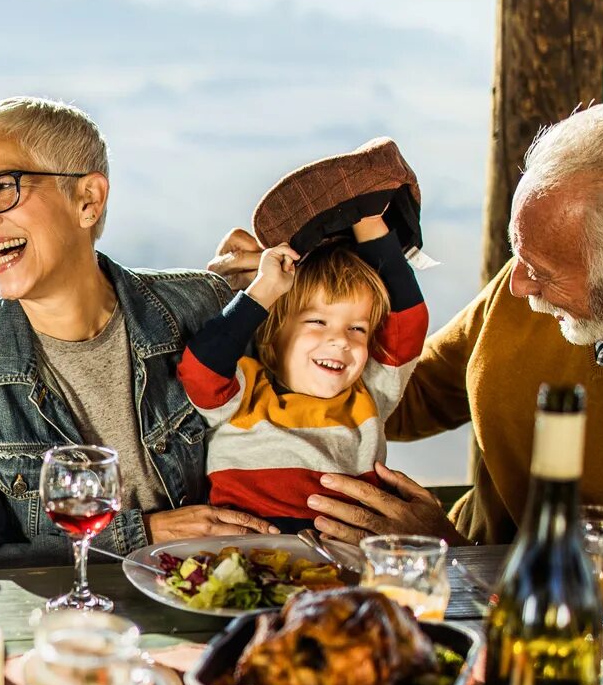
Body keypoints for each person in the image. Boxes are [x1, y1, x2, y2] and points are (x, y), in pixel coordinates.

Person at [209, 102, 603, 544]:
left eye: (541, 271)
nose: (517, 283)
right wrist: (277, 305)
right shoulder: (551, 275)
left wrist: (445, 551)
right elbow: (404, 395)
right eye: (517, 256)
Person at [0, 96, 277, 565]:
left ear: (88, 199)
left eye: (2, 187)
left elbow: (282, 443)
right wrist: (142, 534)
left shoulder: (201, 306)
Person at [178, 210, 426, 534]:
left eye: (357, 328)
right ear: (275, 330)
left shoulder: (371, 393)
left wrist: (368, 219)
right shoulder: (245, 391)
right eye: (318, 322)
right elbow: (200, 369)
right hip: (245, 564)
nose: (340, 340)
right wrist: (263, 291)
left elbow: (408, 322)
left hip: (344, 567)